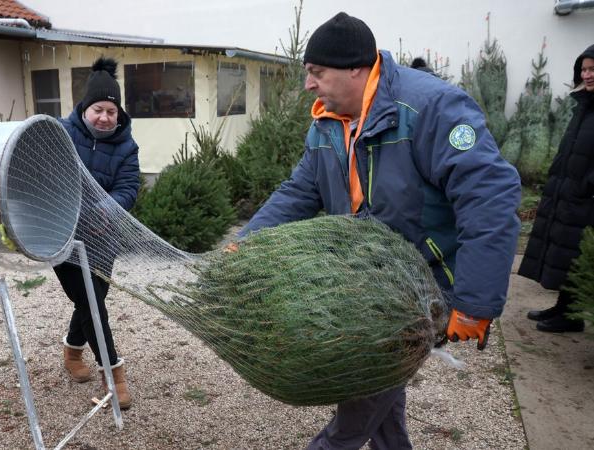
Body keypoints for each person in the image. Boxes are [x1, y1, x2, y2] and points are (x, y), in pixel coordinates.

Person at [230, 12, 521, 449]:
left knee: (362, 396)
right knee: (382, 387)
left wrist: (476, 301)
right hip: (369, 282)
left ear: (355, 68)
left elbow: (489, 198)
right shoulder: (328, 120)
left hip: (423, 283)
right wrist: (246, 242)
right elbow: (299, 189)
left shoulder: (432, 109)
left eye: (316, 73)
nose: (308, 84)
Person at [54, 56, 140, 409]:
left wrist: (104, 209)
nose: (105, 117)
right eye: (98, 109)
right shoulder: (58, 132)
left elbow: (129, 188)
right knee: (89, 301)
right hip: (61, 235)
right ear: (85, 109)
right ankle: (113, 372)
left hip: (104, 238)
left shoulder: (126, 147)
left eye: (111, 111)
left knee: (92, 300)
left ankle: (72, 353)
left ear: (118, 114)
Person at [518, 44, 594, 333]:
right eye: (584, 69)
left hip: (585, 197)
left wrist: (586, 185)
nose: (587, 75)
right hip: (568, 192)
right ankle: (564, 309)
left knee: (575, 254)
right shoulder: (583, 106)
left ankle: (572, 316)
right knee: (565, 252)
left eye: (592, 69)